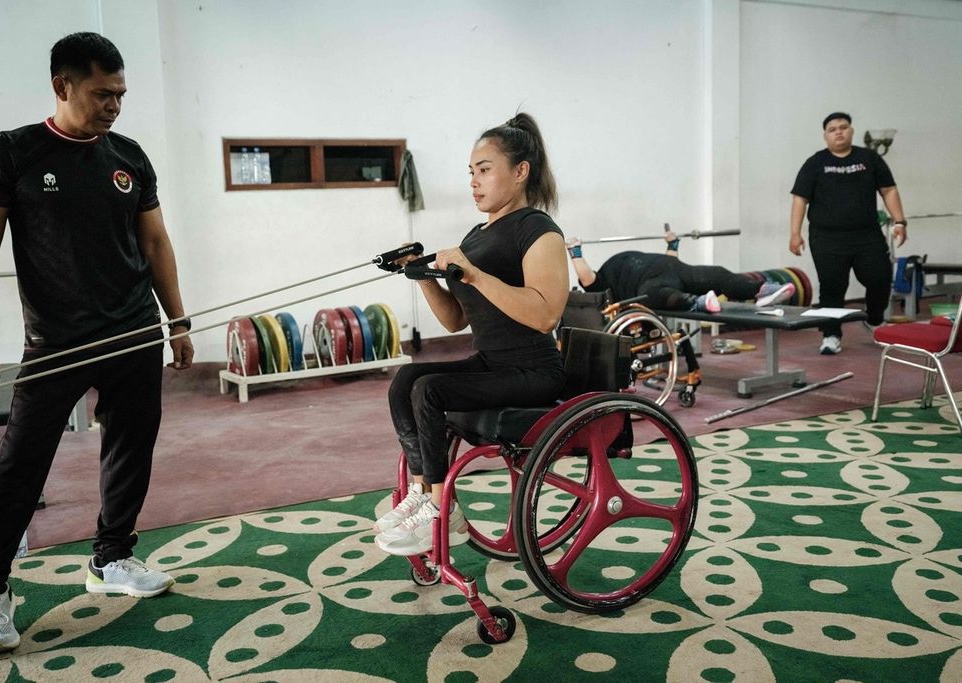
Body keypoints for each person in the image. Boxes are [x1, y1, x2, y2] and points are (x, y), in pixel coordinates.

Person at [0, 32, 194, 656]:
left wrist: (177, 319)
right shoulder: (9, 155)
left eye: (120, 94)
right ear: (63, 87)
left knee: (131, 447)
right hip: (56, 343)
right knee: (19, 466)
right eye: (101, 93)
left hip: (134, 331)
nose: (114, 105)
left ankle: (111, 558)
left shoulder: (129, 156)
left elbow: (156, 243)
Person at [373, 113, 569, 556]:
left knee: (431, 391)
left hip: (533, 369)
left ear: (520, 173)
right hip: (491, 363)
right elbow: (455, 321)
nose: (474, 182)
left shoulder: (540, 232)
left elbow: (544, 315)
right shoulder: (477, 234)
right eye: (471, 172)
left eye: (485, 170)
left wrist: (474, 274)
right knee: (406, 381)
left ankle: (443, 511)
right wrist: (420, 276)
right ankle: (425, 492)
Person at [789, 111, 907, 355]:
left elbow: (889, 190)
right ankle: (831, 335)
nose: (839, 132)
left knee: (880, 277)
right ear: (825, 136)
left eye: (843, 127)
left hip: (867, 235)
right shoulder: (815, 163)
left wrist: (900, 221)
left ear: (851, 131)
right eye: (832, 129)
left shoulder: (869, 158)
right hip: (827, 237)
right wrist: (795, 233)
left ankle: (875, 320)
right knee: (832, 286)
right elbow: (800, 199)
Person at [565, 231, 795, 313]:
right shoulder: (604, 287)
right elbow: (587, 277)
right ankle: (700, 302)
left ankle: (761, 289)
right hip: (659, 277)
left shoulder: (603, 280)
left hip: (667, 268)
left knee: (716, 274)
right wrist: (574, 251)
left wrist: (672, 245)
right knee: (654, 294)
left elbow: (587, 277)